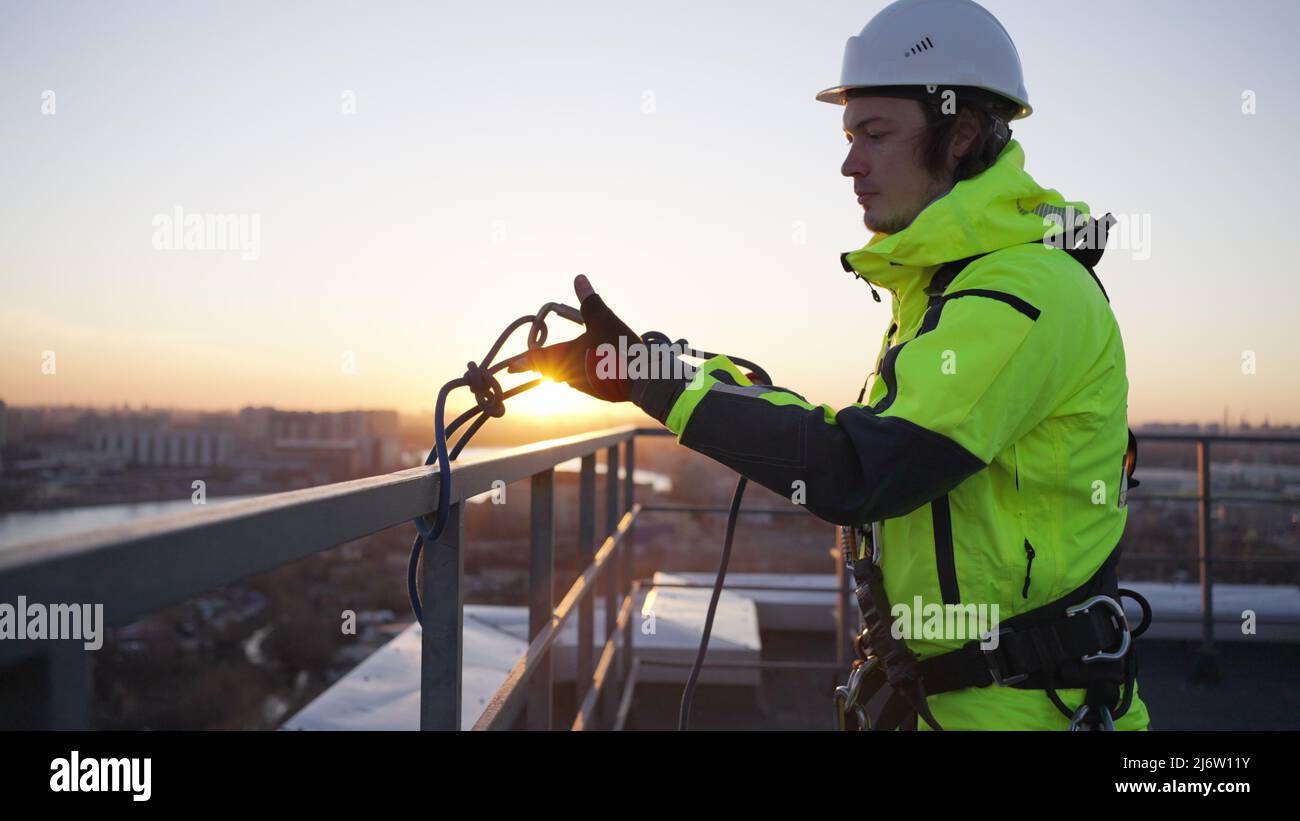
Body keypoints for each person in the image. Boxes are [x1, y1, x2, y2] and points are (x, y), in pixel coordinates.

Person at [512, 0, 1149, 731]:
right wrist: (661, 366)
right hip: (953, 699)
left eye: (875, 135)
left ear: (961, 133)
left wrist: (650, 380)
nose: (849, 162)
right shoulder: (949, 287)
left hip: (1020, 713)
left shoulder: (1022, 291)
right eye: (850, 135)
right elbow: (859, 435)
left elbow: (858, 468)